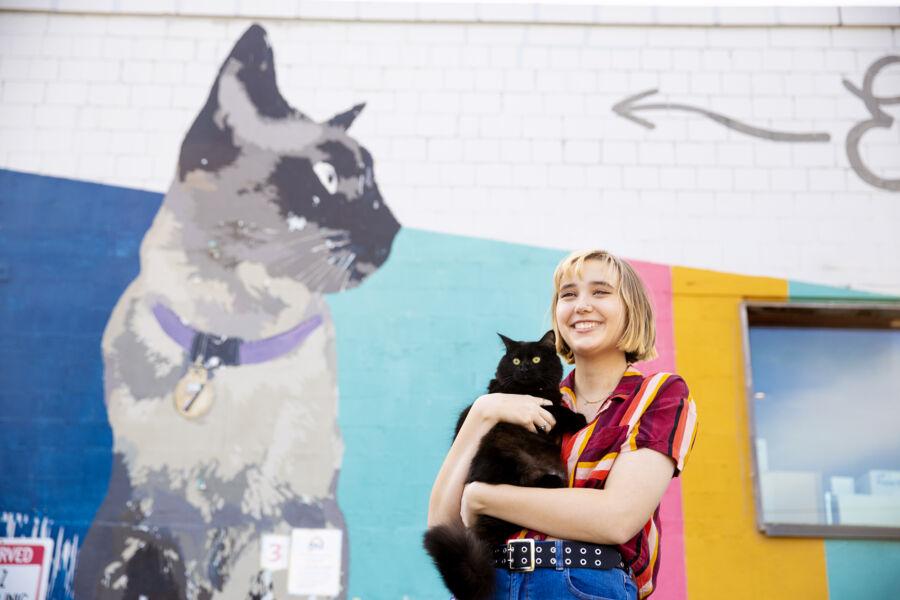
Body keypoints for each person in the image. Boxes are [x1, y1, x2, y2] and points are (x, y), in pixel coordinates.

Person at [427, 249, 699, 600]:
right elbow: (441, 524)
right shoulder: (515, 403)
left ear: (631, 309)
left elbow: (616, 518)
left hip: (579, 584)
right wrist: (482, 412)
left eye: (600, 292)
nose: (581, 305)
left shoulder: (658, 395)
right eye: (568, 295)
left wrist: (483, 497)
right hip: (487, 583)